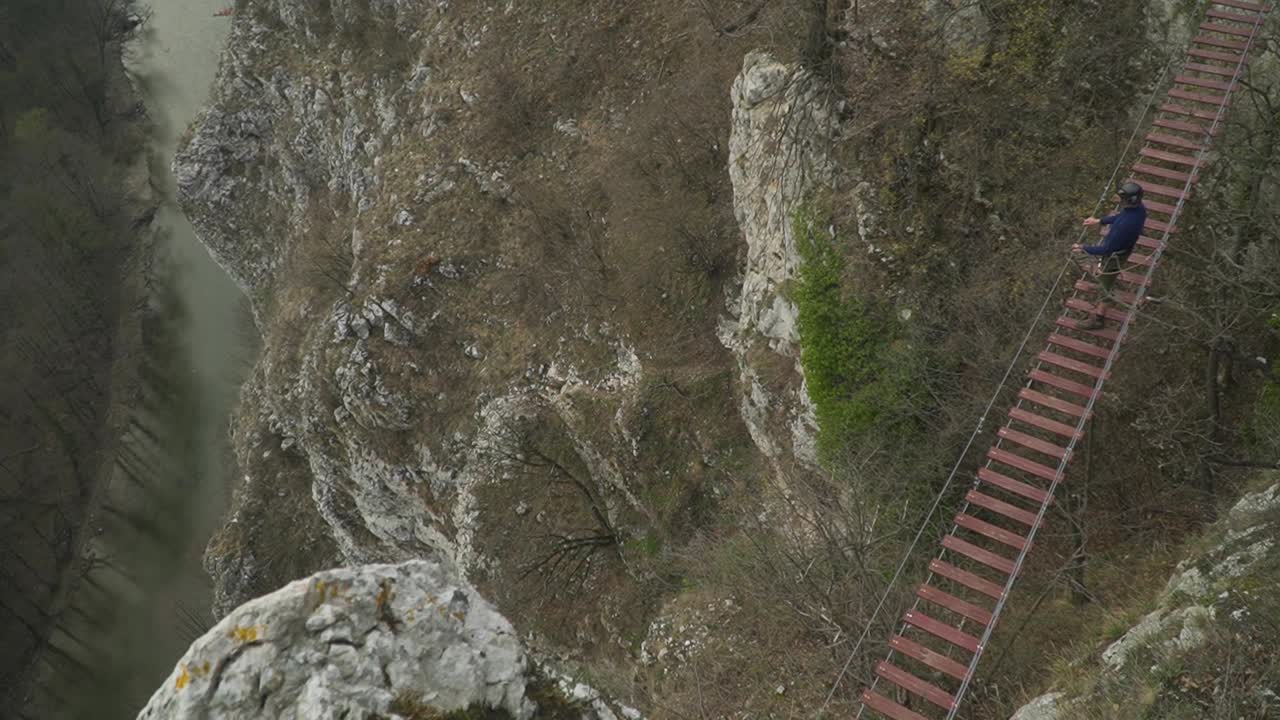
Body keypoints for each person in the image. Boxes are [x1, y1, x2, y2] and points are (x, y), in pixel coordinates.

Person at [1071, 181, 1147, 330]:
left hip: (1115, 255)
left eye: (1122, 198)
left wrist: (1084, 248)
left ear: (1128, 200)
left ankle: (1099, 319)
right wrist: (1100, 221)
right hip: (1122, 248)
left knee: (1104, 287)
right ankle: (1107, 279)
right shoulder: (1139, 209)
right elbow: (1120, 217)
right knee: (1105, 273)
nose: (1119, 201)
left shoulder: (1125, 226)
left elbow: (1107, 249)